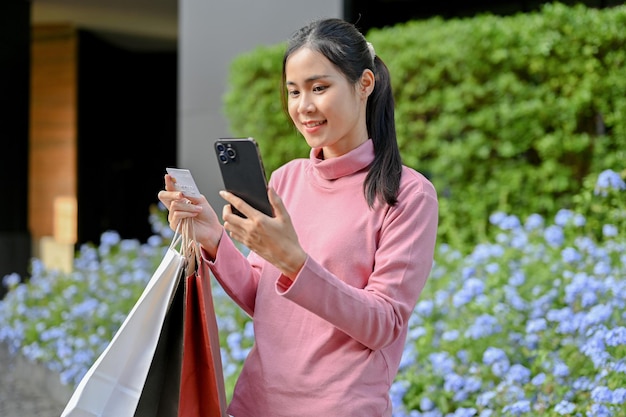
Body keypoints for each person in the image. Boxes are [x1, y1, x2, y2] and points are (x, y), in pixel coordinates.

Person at [158, 17, 438, 417]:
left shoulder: (407, 195)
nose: (304, 107)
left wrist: (294, 261)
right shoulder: (287, 178)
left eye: (319, 88)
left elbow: (384, 324)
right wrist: (213, 237)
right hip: (256, 404)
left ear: (364, 84)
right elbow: (264, 297)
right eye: (294, 92)